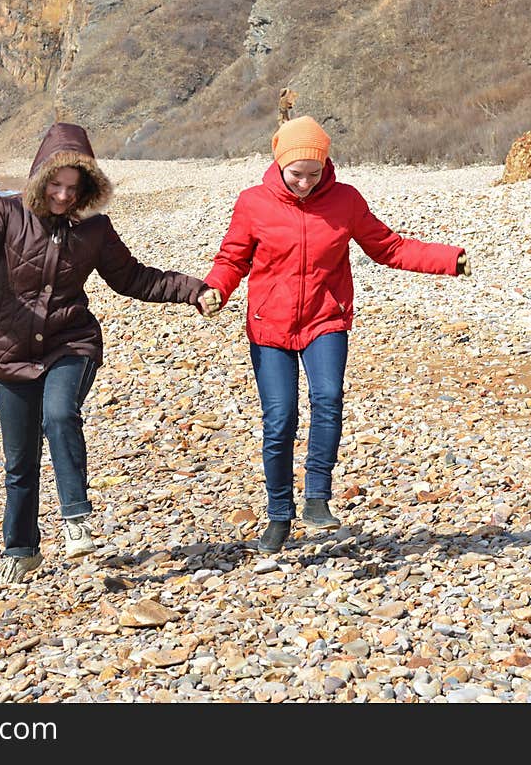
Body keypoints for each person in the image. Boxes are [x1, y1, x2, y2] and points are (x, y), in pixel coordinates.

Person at [0, 122, 211, 584]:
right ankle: (21, 550)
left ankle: (76, 519)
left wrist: (193, 290)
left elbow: (134, 279)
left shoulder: (95, 230)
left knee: (60, 414)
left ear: (86, 188)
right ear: (41, 179)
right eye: (56, 185)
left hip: (72, 344)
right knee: (19, 461)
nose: (63, 196)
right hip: (13, 353)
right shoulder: (5, 214)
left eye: (73, 188)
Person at [197, 115, 471, 555]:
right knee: (280, 418)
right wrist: (215, 290)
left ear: (326, 166)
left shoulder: (345, 201)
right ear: (278, 163)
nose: (304, 183)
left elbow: (389, 247)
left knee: (327, 398)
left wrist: (448, 259)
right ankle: (278, 515)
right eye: (296, 174)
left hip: (326, 319)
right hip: (270, 325)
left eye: (314, 173)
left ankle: (317, 498)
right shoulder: (253, 203)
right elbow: (232, 259)